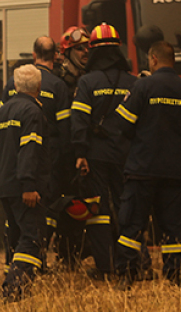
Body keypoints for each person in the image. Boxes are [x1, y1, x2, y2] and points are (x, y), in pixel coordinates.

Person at [107, 41, 181, 288]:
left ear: (153, 59)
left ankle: (127, 276)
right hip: (176, 171)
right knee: (174, 227)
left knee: (131, 224)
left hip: (143, 169)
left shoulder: (143, 87)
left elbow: (123, 125)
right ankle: (174, 276)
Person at [0, 36, 76, 269]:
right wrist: (64, 164)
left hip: (11, 162)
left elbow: (0, 125)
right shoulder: (58, 86)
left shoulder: (12, 83)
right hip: (45, 160)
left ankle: (11, 264)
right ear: (55, 56)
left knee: (14, 218)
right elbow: (65, 131)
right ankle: (35, 262)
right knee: (41, 214)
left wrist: (1, 166)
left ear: (34, 55)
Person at [70, 23, 139, 279]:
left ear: (94, 51)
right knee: (128, 208)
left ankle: (106, 266)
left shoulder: (87, 82)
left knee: (97, 211)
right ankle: (135, 264)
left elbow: (79, 121)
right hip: (128, 156)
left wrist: (80, 153)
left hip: (96, 157)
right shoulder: (134, 83)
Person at [0, 65, 47, 301]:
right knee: (32, 237)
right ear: (39, 87)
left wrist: (3, 175)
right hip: (25, 189)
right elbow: (29, 150)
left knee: (15, 235)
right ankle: (14, 288)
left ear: (15, 86)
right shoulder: (32, 112)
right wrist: (29, 184)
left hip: (7, 188)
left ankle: (11, 280)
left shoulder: (1, 112)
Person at [55, 26, 91, 92]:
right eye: (80, 47)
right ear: (68, 52)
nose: (86, 51)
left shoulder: (92, 77)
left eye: (87, 46)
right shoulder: (58, 79)